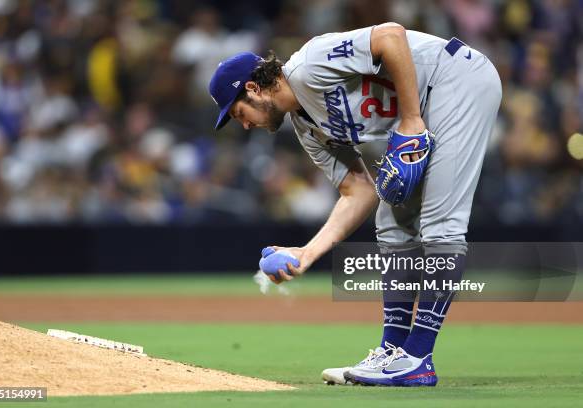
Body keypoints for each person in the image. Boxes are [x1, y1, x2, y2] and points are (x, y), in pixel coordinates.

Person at [209, 23, 501, 387]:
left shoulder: (307, 65)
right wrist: (307, 253)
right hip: (430, 102)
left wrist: (410, 119)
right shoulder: (308, 129)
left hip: (457, 79)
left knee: (441, 224)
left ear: (253, 88)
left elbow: (391, 35)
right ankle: (393, 352)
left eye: (238, 113)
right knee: (390, 221)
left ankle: (418, 356)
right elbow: (358, 191)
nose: (245, 125)